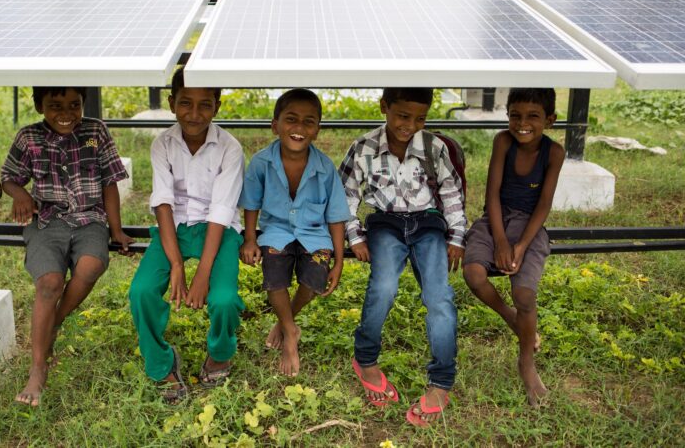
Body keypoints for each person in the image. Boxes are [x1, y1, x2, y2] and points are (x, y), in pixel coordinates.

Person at [339, 87, 466, 427]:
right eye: (402, 116)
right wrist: (355, 236)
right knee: (383, 287)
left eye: (420, 118)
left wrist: (456, 235)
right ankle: (366, 359)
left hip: (428, 225)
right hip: (385, 224)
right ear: (385, 107)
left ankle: (441, 381)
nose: (409, 125)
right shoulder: (363, 147)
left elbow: (452, 193)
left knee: (440, 298)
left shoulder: (434, 148)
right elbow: (346, 197)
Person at [0, 86, 132, 407]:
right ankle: (37, 368)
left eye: (74, 105)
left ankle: (54, 323)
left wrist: (116, 230)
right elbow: (8, 177)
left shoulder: (95, 131)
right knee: (49, 283)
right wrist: (21, 195)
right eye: (55, 105)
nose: (66, 113)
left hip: (90, 219)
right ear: (38, 105)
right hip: (47, 221)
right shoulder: (28, 137)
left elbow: (110, 181)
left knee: (91, 265)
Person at [128, 68, 244, 403]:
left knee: (222, 298)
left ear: (217, 106)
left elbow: (221, 212)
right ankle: (161, 362)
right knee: (141, 291)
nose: (194, 114)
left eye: (204, 105)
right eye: (185, 103)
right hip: (174, 229)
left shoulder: (230, 148)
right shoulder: (162, 144)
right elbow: (163, 204)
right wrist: (177, 265)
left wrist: (202, 276)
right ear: (171, 103)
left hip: (217, 230)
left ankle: (220, 352)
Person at [462, 88, 564, 407]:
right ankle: (511, 318)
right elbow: (492, 195)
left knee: (525, 294)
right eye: (514, 115)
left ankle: (526, 363)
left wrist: (520, 246)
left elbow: (544, 205)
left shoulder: (554, 153)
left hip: (530, 227)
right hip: (495, 219)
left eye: (533, 116)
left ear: (550, 119)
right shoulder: (502, 141)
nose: (522, 123)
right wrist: (501, 240)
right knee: (474, 275)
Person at [239, 89, 350, 377]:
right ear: (275, 125)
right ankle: (291, 333)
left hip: (315, 234)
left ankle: (285, 322)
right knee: (274, 273)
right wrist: (250, 239)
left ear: (317, 130)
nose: (299, 128)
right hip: (275, 231)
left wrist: (338, 260)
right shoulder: (262, 163)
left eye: (308, 122)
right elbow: (250, 203)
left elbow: (336, 216)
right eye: (291, 119)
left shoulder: (325, 168)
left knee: (315, 278)